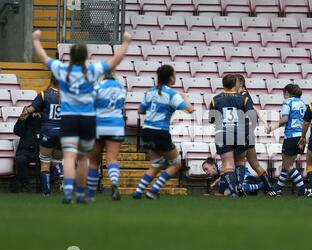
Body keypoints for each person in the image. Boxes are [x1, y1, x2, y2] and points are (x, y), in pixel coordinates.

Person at [32, 29, 132, 204]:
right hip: (87, 119)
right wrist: (125, 42)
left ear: (70, 56)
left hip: (69, 118)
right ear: (86, 56)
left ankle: (68, 193)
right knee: (84, 157)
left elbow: (42, 57)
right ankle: (80, 194)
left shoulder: (62, 69)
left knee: (69, 156)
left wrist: (36, 40)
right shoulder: (92, 71)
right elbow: (116, 60)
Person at [132, 65, 194, 200]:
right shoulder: (172, 94)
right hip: (160, 132)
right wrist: (184, 97)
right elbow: (189, 109)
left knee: (156, 163)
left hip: (146, 131)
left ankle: (138, 191)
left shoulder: (149, 91)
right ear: (171, 77)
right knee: (176, 163)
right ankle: (153, 190)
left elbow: (140, 110)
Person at [208, 74, 255, 197]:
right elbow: (251, 115)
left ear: (223, 84)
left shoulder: (215, 99)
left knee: (227, 164)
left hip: (222, 133)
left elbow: (212, 119)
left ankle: (233, 191)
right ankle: (239, 184)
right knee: (240, 161)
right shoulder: (243, 98)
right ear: (235, 84)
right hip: (240, 132)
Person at [87, 71, 128, 202]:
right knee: (112, 158)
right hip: (116, 125)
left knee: (94, 161)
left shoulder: (97, 87)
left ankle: (91, 195)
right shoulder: (122, 89)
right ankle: (114, 183)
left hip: (98, 124)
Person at [23, 74, 63, 196]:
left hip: (47, 132)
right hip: (62, 133)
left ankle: (46, 193)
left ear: (51, 80)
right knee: (57, 160)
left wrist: (26, 112)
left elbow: (30, 110)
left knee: (45, 164)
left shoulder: (44, 94)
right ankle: (61, 173)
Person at [235, 74, 275, 196]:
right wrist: (264, 122)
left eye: (235, 82)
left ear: (241, 83)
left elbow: (251, 113)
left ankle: (239, 189)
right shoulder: (245, 95)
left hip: (244, 133)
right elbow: (255, 110)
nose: (233, 84)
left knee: (240, 162)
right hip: (248, 134)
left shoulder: (242, 95)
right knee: (254, 163)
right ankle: (269, 188)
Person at [266, 84, 307, 196]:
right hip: (301, 137)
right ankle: (278, 190)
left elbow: (284, 119)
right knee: (286, 165)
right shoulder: (303, 104)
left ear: (287, 93)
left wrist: (271, 128)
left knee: (288, 166)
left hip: (291, 136)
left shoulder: (288, 102)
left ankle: (304, 190)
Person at [202, 157, 266, 196]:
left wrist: (214, 183)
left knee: (236, 189)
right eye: (204, 171)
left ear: (213, 166)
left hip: (248, 180)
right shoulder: (218, 174)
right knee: (229, 192)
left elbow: (224, 175)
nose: (206, 172)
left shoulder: (221, 166)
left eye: (206, 169)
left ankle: (261, 185)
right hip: (245, 187)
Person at [14, 107, 41, 193]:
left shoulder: (42, 121)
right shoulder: (24, 121)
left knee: (46, 160)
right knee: (20, 160)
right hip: (24, 149)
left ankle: (43, 185)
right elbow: (18, 132)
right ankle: (24, 186)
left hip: (40, 149)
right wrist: (21, 120)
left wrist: (40, 117)